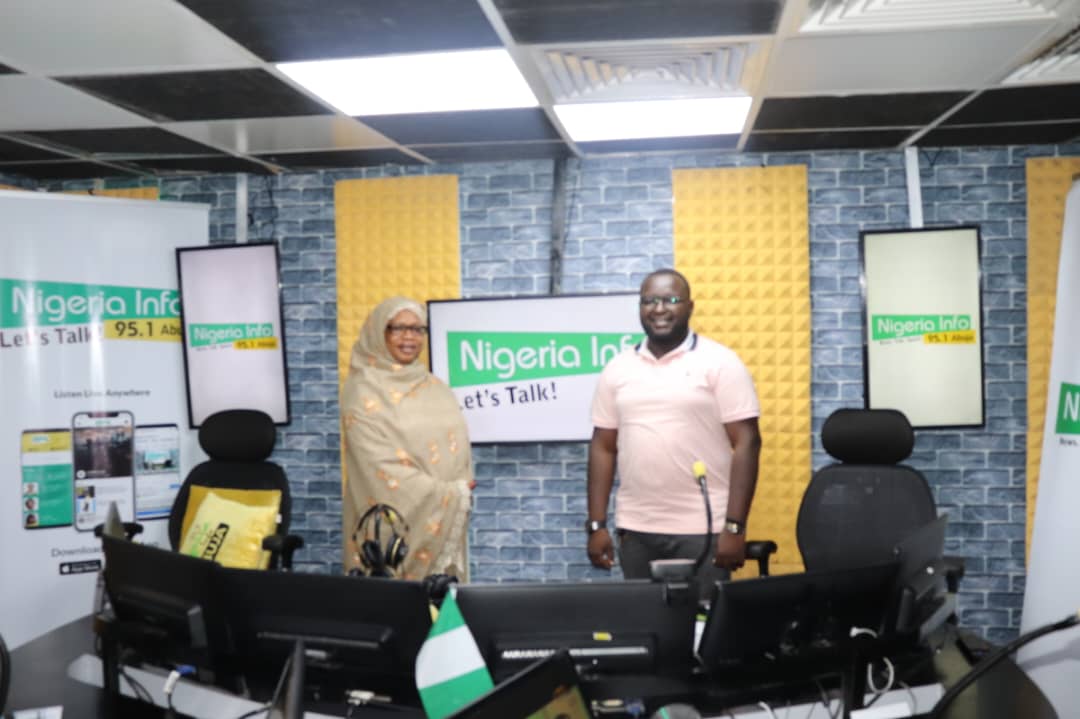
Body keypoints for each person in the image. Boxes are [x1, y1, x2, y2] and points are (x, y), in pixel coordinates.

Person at [585, 269, 762, 593]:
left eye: (671, 299)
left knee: (703, 622)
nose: (659, 309)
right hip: (636, 529)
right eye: (649, 301)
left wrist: (735, 526)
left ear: (690, 307)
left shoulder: (720, 362)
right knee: (645, 621)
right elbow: (603, 447)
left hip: (704, 529)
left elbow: (747, 442)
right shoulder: (617, 368)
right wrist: (597, 525)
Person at [341, 296, 474, 581]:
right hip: (390, 526)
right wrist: (450, 493)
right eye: (398, 328)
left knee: (442, 601)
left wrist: (457, 490)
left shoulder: (435, 386)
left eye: (417, 329)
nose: (409, 337)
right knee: (395, 603)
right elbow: (377, 466)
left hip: (442, 521)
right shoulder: (363, 391)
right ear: (379, 332)